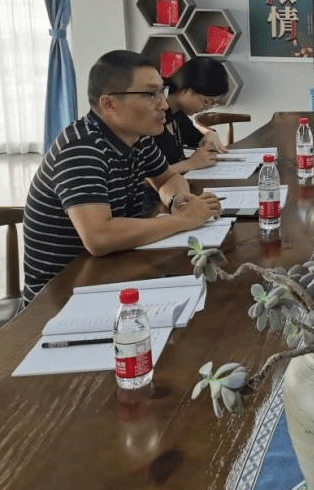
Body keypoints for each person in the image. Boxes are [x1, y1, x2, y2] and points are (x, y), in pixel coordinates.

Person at [22, 50, 221, 302]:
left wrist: (178, 200)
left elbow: (167, 178)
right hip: (60, 296)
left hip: (111, 270)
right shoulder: (80, 149)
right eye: (150, 95)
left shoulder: (138, 137)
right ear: (109, 104)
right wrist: (182, 220)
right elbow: (99, 237)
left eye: (162, 92)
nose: (163, 104)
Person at [153, 57, 230, 174]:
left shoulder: (177, 113)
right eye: (206, 101)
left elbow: (197, 139)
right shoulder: (152, 119)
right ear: (186, 90)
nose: (207, 108)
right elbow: (146, 178)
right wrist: (190, 163)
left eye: (212, 104)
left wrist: (210, 135)